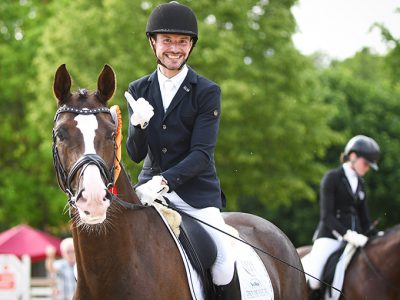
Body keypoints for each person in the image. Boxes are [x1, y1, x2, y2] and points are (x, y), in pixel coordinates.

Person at [125, 1, 239, 299]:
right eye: (167, 41)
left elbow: (202, 154)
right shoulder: (138, 89)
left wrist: (163, 182)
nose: (174, 48)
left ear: (191, 46)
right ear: (153, 42)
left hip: (195, 194)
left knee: (224, 262)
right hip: (147, 192)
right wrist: (138, 125)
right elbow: (135, 154)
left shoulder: (207, 91)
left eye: (182, 41)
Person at [302, 135, 380, 296]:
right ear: (352, 156)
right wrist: (347, 234)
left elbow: (365, 219)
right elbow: (327, 216)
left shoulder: (360, 184)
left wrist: (377, 236)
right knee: (315, 277)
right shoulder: (332, 178)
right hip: (330, 236)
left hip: (356, 240)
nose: (367, 168)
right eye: (365, 163)